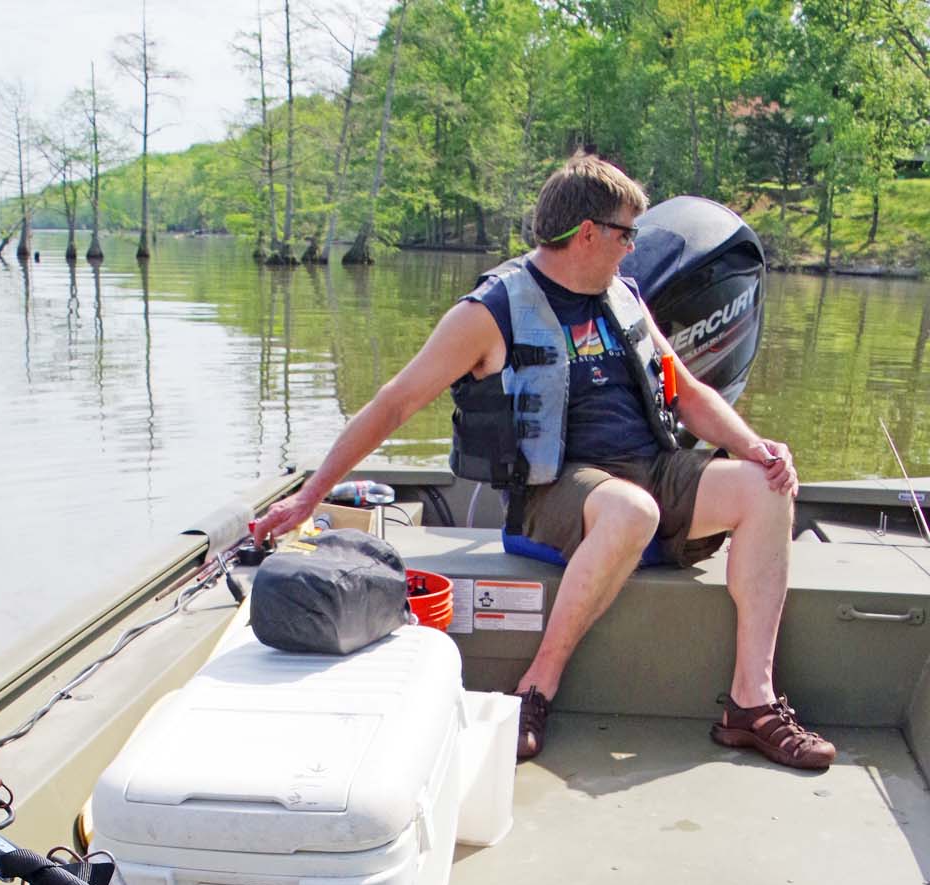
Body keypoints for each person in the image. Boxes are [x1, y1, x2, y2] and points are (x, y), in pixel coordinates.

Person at [253, 153, 835, 771]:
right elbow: (394, 403)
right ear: (587, 233)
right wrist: (311, 496)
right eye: (625, 235)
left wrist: (755, 447)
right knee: (631, 511)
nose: (631, 249)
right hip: (553, 490)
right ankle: (536, 689)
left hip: (650, 468)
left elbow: (686, 392)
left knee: (767, 488)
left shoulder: (623, 294)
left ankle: (752, 704)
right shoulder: (490, 312)